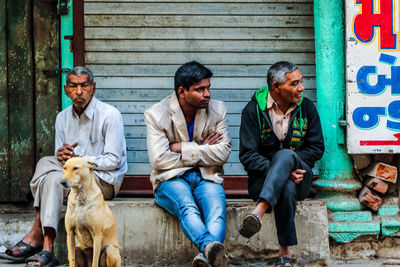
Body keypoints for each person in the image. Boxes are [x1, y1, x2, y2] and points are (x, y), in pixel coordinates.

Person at [0, 66, 127, 267]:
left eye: (84, 86)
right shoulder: (62, 118)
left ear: (93, 88)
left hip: (102, 182)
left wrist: (80, 159)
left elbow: (114, 160)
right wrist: (63, 157)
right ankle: (47, 246)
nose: (79, 92)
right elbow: (62, 165)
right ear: (66, 89)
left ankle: (38, 236)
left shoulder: (110, 115)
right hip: (72, 181)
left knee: (50, 174)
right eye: (73, 86)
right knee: (48, 168)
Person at [144, 61, 232, 267]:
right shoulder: (156, 114)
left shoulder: (217, 110)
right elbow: (159, 159)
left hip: (206, 175)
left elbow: (223, 153)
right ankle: (210, 247)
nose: (207, 94)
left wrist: (180, 147)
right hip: (170, 179)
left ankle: (206, 254)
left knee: (217, 209)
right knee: (187, 207)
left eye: (208, 87)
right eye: (200, 89)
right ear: (182, 91)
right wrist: (201, 146)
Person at [238, 62, 324, 267]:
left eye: (301, 82)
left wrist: (290, 164)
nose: (301, 88)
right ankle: (285, 253)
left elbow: (316, 148)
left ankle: (259, 210)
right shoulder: (253, 111)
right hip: (264, 182)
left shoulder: (307, 108)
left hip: (301, 177)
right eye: (295, 84)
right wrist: (283, 172)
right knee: (285, 184)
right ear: (277, 87)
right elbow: (248, 155)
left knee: (286, 156)